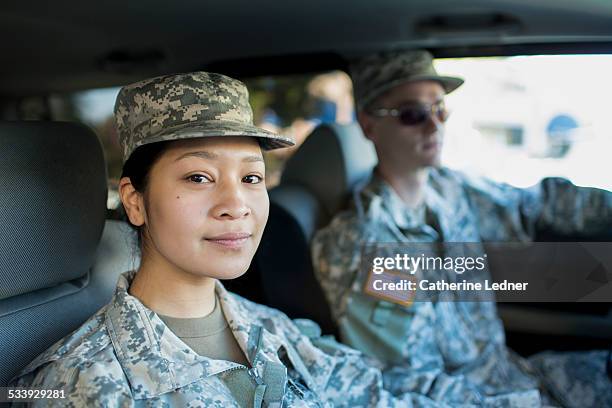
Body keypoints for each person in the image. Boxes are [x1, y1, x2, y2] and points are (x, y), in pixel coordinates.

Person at [10, 71, 467, 407]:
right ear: (134, 201)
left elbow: (376, 396)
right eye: (198, 176)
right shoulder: (76, 386)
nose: (236, 203)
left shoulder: (271, 328)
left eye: (251, 176)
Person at [311, 50, 612, 407]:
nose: (434, 125)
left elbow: (535, 204)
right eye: (413, 114)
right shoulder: (366, 243)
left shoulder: (450, 189)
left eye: (440, 109)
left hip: (512, 374)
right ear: (369, 124)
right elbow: (408, 384)